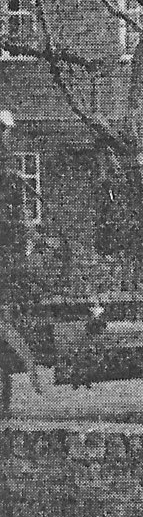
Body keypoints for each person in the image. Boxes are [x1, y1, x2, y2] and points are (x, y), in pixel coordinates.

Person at [0, 110, 39, 413]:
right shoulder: (9, 177)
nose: (5, 137)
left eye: (6, 132)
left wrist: (27, 233)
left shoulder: (10, 176)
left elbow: (19, 218)